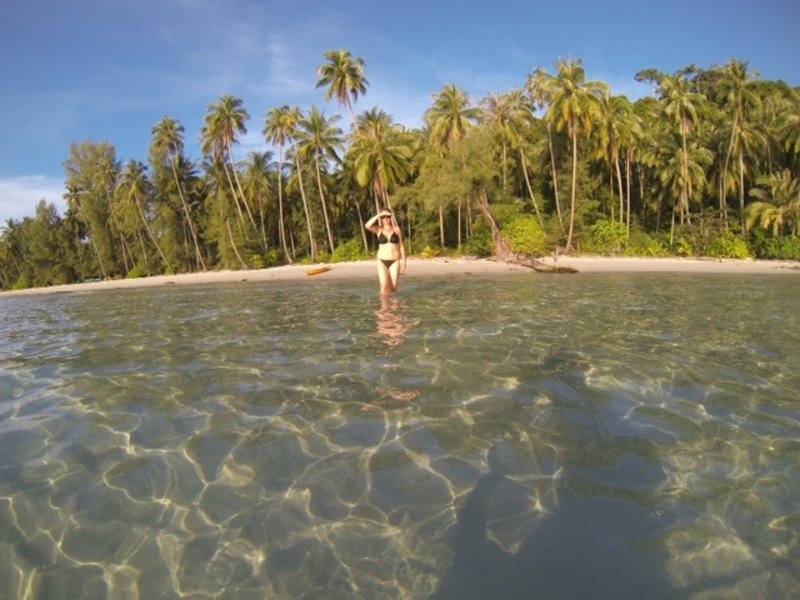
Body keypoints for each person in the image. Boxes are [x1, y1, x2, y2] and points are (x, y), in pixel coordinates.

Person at [365, 209, 406, 294]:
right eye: (383, 217)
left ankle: (394, 306)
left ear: (391, 217)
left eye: (388, 217)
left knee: (394, 288)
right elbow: (367, 225)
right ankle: (384, 307)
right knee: (384, 287)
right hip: (382, 261)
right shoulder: (378, 229)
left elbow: (401, 246)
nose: (386, 219)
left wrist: (404, 262)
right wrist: (379, 215)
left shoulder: (396, 229)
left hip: (395, 261)